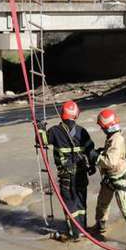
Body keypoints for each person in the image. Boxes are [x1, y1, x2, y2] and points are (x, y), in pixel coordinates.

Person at [37, 100, 96, 240]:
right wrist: (93, 166)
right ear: (76, 115)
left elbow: (40, 140)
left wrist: (40, 128)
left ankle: (74, 234)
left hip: (66, 176)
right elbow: (91, 151)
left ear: (62, 114)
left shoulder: (55, 131)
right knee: (81, 203)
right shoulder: (82, 131)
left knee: (69, 204)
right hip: (82, 174)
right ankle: (83, 230)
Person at [91, 109, 126, 245]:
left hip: (118, 179)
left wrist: (96, 157)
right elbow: (111, 155)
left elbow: (111, 161)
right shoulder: (112, 137)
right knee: (102, 204)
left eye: (102, 127)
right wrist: (101, 152)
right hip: (109, 178)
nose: (101, 129)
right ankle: (100, 226)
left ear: (107, 127)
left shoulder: (117, 139)